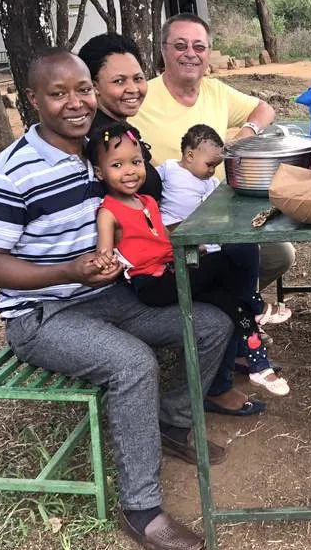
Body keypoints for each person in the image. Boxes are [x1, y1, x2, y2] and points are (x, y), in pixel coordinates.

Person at [0, 49, 231, 550]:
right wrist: (70, 270)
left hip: (111, 295)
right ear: (33, 100)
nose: (76, 103)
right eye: (58, 93)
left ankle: (172, 421)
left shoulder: (98, 154)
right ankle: (142, 510)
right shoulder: (10, 172)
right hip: (43, 316)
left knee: (212, 324)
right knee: (132, 363)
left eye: (83, 90)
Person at [89, 121, 275, 408]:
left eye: (136, 162)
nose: (130, 171)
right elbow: (104, 251)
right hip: (152, 285)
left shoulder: (148, 201)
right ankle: (258, 306)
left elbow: (162, 237)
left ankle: (257, 362)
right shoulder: (108, 211)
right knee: (223, 264)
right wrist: (104, 260)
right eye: (117, 165)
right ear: (100, 173)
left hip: (172, 272)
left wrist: (191, 242)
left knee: (230, 302)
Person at [129, 13, 295, 290]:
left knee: (280, 255)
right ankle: (225, 310)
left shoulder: (215, 91)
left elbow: (265, 109)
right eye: (180, 46)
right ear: (162, 50)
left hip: (223, 211)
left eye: (199, 47)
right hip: (174, 221)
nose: (190, 54)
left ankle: (234, 306)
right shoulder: (142, 97)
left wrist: (245, 133)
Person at [157, 124, 291, 397]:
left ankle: (252, 352)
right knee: (239, 296)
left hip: (211, 247)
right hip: (186, 251)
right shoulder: (168, 172)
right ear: (189, 154)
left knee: (244, 253)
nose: (211, 170)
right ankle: (256, 351)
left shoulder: (210, 182)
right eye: (209, 164)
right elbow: (160, 218)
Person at [78, 33, 161, 200]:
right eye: (119, 81)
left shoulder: (121, 129)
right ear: (94, 87)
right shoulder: (101, 139)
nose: (133, 88)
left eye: (138, 78)